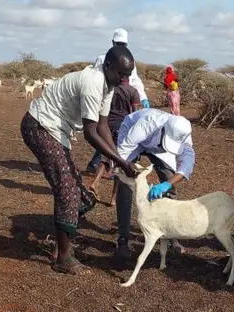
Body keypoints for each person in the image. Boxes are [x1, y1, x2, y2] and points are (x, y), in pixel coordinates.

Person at [20, 45, 139, 275]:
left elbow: (103, 125)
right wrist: (121, 162)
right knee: (68, 190)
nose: (124, 79)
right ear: (107, 66)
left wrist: (118, 158)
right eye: (121, 74)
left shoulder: (109, 86)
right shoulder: (94, 82)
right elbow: (91, 132)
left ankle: (60, 248)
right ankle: (63, 258)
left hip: (56, 131)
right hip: (40, 126)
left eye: (128, 76)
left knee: (80, 195)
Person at [113, 108, 195, 267]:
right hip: (132, 138)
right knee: (125, 184)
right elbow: (124, 150)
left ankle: (172, 235)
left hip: (159, 149)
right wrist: (124, 168)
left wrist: (167, 184)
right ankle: (122, 239)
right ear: (163, 129)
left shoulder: (184, 133)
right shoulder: (148, 123)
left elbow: (186, 166)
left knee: (169, 181)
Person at [86, 28, 150, 173]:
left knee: (108, 131)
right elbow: (96, 80)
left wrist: (143, 96)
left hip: (119, 95)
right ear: (113, 42)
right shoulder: (103, 58)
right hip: (107, 96)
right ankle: (105, 162)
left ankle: (100, 162)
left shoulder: (128, 60)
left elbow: (135, 80)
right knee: (108, 130)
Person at [88, 76, 142, 206]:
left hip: (105, 125)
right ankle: (113, 199)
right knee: (120, 161)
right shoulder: (132, 91)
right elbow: (134, 114)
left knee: (105, 157)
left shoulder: (109, 89)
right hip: (122, 127)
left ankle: (95, 182)